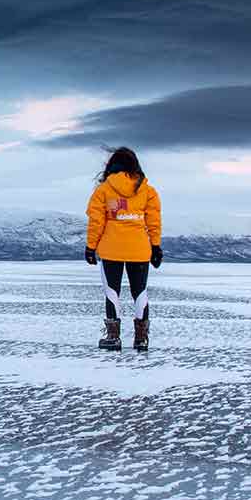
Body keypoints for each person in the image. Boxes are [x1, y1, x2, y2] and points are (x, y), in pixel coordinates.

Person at [84, 146, 162, 352]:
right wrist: (156, 247)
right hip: (139, 249)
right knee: (140, 292)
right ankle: (141, 339)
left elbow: (96, 221)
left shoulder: (103, 191)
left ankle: (113, 337)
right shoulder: (147, 191)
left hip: (111, 250)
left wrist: (91, 247)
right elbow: (154, 221)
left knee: (112, 292)